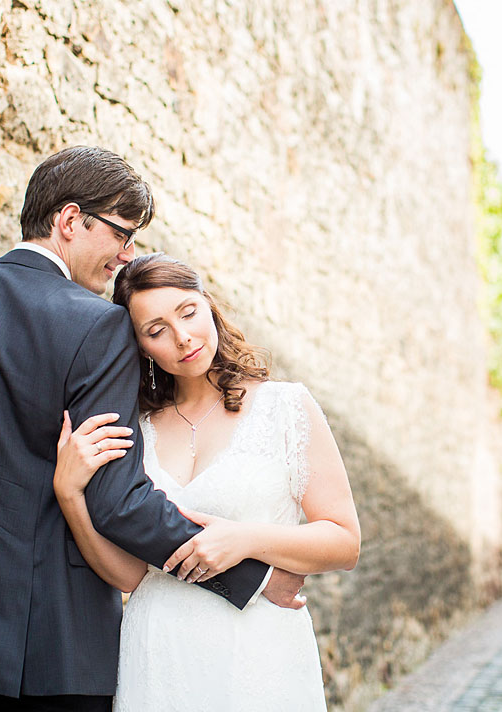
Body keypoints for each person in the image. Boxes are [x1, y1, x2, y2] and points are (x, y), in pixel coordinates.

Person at [0, 146, 304, 711]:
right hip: (52, 647)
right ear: (70, 221)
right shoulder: (98, 328)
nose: (127, 254)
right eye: (123, 234)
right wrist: (249, 577)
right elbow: (117, 500)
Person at [53, 253, 361, 712]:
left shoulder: (286, 406)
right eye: (156, 331)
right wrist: (70, 495)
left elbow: (344, 543)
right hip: (157, 653)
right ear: (140, 347)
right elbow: (131, 575)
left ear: (208, 304)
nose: (182, 338)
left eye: (188, 312)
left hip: (258, 651)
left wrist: (245, 539)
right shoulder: (137, 429)